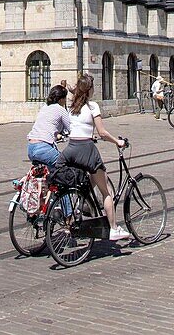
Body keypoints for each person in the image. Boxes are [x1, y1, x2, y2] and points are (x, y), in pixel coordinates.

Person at [60, 73, 130, 243]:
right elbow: (102, 132)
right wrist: (118, 142)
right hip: (86, 150)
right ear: (90, 89)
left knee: (84, 184)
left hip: (70, 149)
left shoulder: (72, 107)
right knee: (106, 190)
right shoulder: (92, 107)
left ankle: (78, 207)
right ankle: (113, 228)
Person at [26, 84, 70, 168]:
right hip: (43, 148)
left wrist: (57, 134)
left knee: (49, 173)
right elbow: (71, 128)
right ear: (61, 99)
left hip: (31, 148)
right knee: (66, 166)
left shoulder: (45, 107)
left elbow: (47, 125)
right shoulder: (61, 109)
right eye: (65, 98)